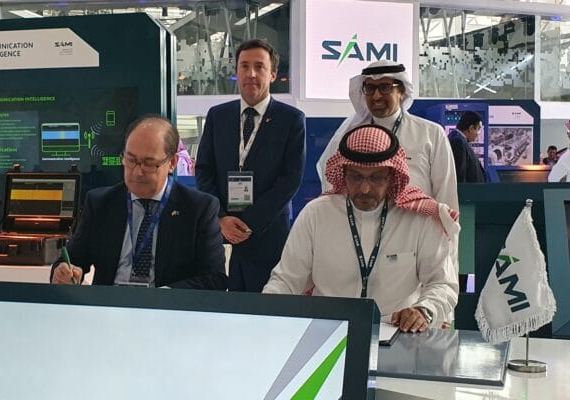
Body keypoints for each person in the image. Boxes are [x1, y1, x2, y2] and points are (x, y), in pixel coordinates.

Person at [263, 125, 459, 332]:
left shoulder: (419, 219)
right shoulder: (317, 214)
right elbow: (286, 281)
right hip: (326, 331)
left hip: (398, 331)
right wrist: (264, 316)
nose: (365, 189)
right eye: (356, 177)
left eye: (376, 178)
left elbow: (442, 284)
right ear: (343, 173)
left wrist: (423, 310)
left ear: (392, 176)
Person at [51, 115, 227, 290]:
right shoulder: (100, 203)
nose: (136, 172)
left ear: (172, 163)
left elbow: (214, 278)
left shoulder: (198, 208)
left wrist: (165, 296)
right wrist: (63, 272)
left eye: (149, 164)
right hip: (109, 303)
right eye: (131, 160)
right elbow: (72, 260)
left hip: (167, 304)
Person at [195, 39, 306, 292]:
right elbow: (204, 170)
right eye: (244, 66)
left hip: (267, 234)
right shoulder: (217, 116)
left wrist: (249, 223)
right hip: (221, 232)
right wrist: (222, 217)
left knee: (267, 306)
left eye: (259, 67)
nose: (251, 74)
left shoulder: (291, 120)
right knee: (223, 305)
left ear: (273, 74)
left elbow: (290, 179)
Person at [316, 61, 458, 212]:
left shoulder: (430, 133)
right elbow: (332, 183)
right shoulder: (350, 134)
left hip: (414, 223)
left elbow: (445, 190)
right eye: (370, 88)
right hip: (361, 222)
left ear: (402, 92)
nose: (376, 96)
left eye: (385, 87)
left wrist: (447, 224)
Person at [448, 111, 486, 183]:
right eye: (478, 129)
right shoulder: (458, 142)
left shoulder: (460, 140)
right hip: (468, 190)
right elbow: (460, 175)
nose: (479, 133)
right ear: (471, 128)